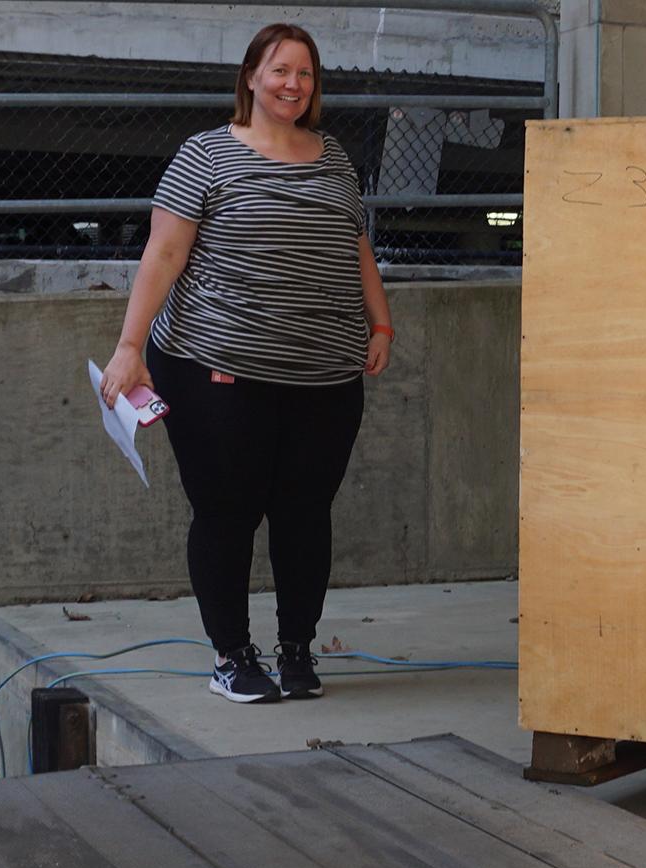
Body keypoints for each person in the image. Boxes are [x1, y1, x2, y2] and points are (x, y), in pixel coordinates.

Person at [99, 23, 393, 704]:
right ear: (252, 77)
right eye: (280, 70)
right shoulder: (205, 155)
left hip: (325, 374)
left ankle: (297, 651)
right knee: (227, 511)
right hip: (214, 368)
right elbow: (164, 256)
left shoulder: (336, 160)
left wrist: (381, 322)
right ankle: (232, 655)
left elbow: (357, 250)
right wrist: (129, 346)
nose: (293, 84)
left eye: (306, 74)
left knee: (304, 513)